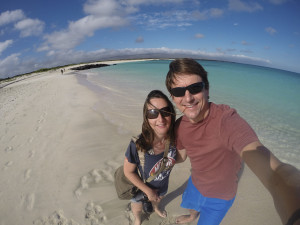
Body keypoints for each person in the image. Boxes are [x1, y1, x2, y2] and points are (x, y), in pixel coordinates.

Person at [165, 58, 300, 225]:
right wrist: (162, 157)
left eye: (195, 88)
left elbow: (275, 171)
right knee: (192, 207)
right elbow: (182, 156)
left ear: (207, 89)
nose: (188, 98)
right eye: (179, 92)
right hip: (195, 183)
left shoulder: (226, 121)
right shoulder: (180, 125)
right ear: (172, 97)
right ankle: (192, 216)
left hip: (220, 196)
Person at [123, 90, 177, 225]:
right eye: (153, 113)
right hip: (141, 187)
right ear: (146, 118)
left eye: (165, 112)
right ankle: (137, 219)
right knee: (137, 206)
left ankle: (156, 208)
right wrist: (148, 191)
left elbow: (179, 159)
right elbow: (128, 171)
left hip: (162, 186)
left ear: (172, 113)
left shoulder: (175, 139)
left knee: (157, 201)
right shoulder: (137, 144)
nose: (161, 119)